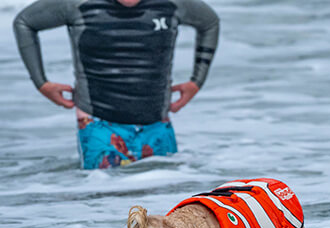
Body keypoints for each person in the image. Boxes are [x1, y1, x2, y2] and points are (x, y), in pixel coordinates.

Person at [13, 0, 219, 169]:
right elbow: (25, 22)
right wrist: (41, 83)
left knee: (162, 204)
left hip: (157, 124)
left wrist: (197, 81)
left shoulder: (173, 4)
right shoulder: (76, 4)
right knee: (104, 204)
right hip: (99, 124)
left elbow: (209, 22)